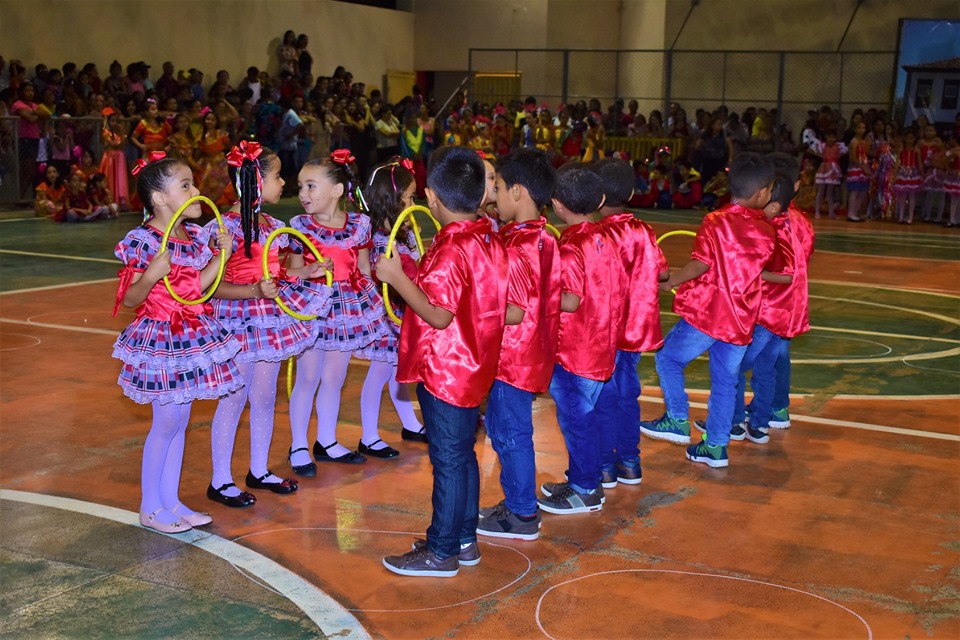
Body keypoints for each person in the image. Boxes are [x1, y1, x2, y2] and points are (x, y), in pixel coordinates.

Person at [377, 146, 508, 577]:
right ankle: (463, 539)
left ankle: (442, 550)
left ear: (432, 197)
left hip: (448, 368)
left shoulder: (452, 247)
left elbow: (438, 314)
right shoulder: (487, 236)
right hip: (475, 364)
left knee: (449, 460)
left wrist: (397, 278)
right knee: (462, 455)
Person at [111, 156, 240, 534]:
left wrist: (221, 255)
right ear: (159, 198)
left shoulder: (193, 237)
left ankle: (170, 500)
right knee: (166, 421)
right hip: (161, 337)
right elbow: (130, 299)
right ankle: (150, 506)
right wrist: (152, 273)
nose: (196, 191)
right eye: (185, 185)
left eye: (192, 183)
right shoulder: (143, 241)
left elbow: (197, 287)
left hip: (190, 333)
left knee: (180, 421)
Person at [205, 142, 333, 507]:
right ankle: (220, 480)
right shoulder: (224, 228)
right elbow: (210, 286)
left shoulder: (271, 226)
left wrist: (306, 271)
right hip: (235, 320)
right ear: (256, 181)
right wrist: (253, 291)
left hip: (266, 320)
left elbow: (275, 273)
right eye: (277, 176)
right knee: (234, 398)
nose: (284, 183)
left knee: (264, 396)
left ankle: (258, 469)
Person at [639, 152, 776, 469]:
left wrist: (671, 280)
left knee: (668, 358)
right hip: (741, 317)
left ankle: (677, 418)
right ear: (760, 193)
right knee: (726, 382)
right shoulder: (767, 230)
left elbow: (701, 264)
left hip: (709, 312)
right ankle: (715, 446)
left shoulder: (716, 221)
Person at [697, 154, 814, 442]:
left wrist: (749, 272)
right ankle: (761, 422)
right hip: (785, 312)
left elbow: (782, 273)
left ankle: (734, 421)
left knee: (734, 366)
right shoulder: (800, 222)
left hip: (766, 311)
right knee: (767, 368)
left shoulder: (772, 229)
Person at [287, 151, 390, 471]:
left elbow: (363, 268)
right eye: (301, 186)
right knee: (308, 377)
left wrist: (371, 302)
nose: (303, 193)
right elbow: (292, 272)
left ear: (336, 190)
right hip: (312, 307)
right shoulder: (300, 227)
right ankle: (298, 445)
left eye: (311, 186)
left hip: (346, 308)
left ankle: (327, 440)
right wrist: (310, 273)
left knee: (334, 377)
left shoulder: (359, 225)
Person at [476, 149, 560, 539]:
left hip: (512, 356)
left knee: (510, 433)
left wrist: (471, 310)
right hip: (530, 352)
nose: (493, 197)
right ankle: (515, 501)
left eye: (497, 188)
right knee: (503, 427)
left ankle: (522, 513)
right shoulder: (543, 236)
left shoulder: (519, 245)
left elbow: (513, 310)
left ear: (517, 192)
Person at [537, 164, 623, 514]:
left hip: (575, 351)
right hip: (602, 344)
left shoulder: (571, 245)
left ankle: (586, 489)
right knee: (588, 416)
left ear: (557, 205)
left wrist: (536, 293)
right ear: (600, 200)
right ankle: (583, 477)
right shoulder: (607, 238)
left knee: (576, 420)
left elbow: (570, 300)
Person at [592, 158, 669, 489]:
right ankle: (629, 462)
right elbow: (662, 272)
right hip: (635, 328)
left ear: (595, 196)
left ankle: (605, 466)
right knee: (627, 393)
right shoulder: (643, 231)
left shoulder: (597, 234)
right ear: (632, 193)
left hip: (605, 329)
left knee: (604, 396)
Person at [356, 158, 427, 456]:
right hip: (384, 314)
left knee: (399, 369)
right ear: (392, 200)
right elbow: (371, 275)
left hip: (402, 310)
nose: (413, 203)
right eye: (409, 197)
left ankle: (410, 423)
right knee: (380, 371)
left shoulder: (405, 233)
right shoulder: (375, 238)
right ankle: (369, 436)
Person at [12, 82, 46, 199]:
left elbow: (43, 118)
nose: (30, 93)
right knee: (28, 170)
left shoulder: (35, 105)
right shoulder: (18, 104)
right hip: (23, 139)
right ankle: (20, 197)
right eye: (27, 91)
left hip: (35, 138)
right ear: (21, 92)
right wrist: (39, 114)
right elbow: (30, 119)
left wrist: (38, 114)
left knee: (32, 171)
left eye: (32, 91)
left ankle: (22, 197)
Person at [195, 108, 234, 210]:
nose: (210, 122)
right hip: (205, 163)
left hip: (220, 164)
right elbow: (198, 151)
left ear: (216, 122)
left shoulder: (221, 134)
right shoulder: (200, 135)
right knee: (203, 186)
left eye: (213, 120)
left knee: (221, 187)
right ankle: (206, 210)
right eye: (208, 119)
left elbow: (230, 147)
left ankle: (219, 210)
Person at [811, 129, 847, 219]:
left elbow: (845, 152)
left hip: (833, 169)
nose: (831, 139)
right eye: (829, 137)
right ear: (826, 137)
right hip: (824, 168)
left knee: (830, 192)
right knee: (821, 191)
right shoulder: (822, 146)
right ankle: (817, 211)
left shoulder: (838, 147)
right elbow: (814, 150)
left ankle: (831, 212)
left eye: (833, 137)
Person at [99, 107, 129, 211]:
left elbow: (123, 144)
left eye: (116, 121)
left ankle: (121, 201)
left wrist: (122, 133)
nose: (115, 123)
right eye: (112, 121)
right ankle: (111, 200)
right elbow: (114, 144)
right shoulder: (105, 132)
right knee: (110, 178)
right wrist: (122, 135)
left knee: (120, 178)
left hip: (119, 158)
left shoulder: (118, 132)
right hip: (110, 157)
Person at [894, 128, 922, 225]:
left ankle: (910, 217)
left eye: (911, 138)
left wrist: (922, 174)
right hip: (903, 172)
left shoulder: (916, 150)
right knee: (902, 195)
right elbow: (897, 162)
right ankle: (901, 216)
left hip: (913, 173)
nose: (909, 140)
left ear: (914, 139)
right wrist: (895, 174)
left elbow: (919, 163)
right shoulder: (901, 149)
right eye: (907, 138)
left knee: (912, 195)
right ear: (904, 138)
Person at [845, 120, 871, 222]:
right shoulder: (854, 141)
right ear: (855, 129)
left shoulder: (863, 141)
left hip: (863, 167)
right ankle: (851, 213)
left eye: (863, 128)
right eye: (859, 128)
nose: (861, 130)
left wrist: (866, 167)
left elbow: (865, 155)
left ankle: (855, 212)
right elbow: (853, 158)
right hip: (856, 168)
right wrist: (863, 167)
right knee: (855, 191)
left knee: (863, 191)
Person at [919, 124, 946, 223]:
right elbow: (926, 162)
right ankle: (927, 215)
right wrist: (931, 164)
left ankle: (939, 217)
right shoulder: (931, 151)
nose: (937, 144)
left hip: (942, 176)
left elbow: (948, 165)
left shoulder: (946, 153)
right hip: (931, 175)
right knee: (929, 194)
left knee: (941, 196)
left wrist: (941, 166)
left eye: (938, 142)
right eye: (927, 130)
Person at [945, 136, 960, 228]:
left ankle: (957, 220)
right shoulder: (956, 151)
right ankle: (952, 220)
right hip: (957, 176)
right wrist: (949, 170)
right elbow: (945, 160)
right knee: (954, 200)